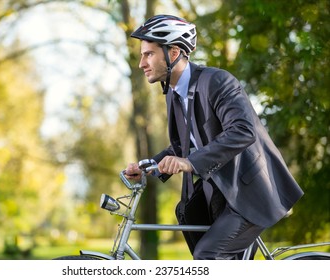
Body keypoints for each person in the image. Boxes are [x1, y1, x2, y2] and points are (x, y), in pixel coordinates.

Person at [125, 14, 304, 260]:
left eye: (149, 54)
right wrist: (149, 166)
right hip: (219, 192)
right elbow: (182, 146)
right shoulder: (174, 94)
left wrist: (191, 161)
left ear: (174, 53)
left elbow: (243, 130)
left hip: (250, 193)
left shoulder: (217, 81)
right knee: (190, 222)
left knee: (208, 255)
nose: (141, 63)